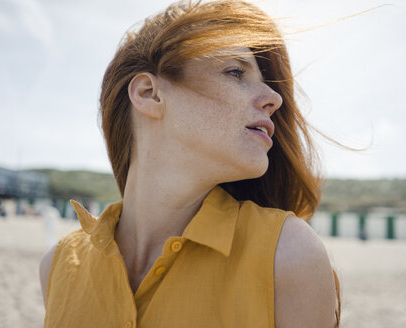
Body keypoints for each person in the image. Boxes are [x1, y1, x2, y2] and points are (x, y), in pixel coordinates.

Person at [39, 0, 341, 327]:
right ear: (149, 94)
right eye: (236, 71)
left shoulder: (288, 256)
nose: (274, 99)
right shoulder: (57, 266)